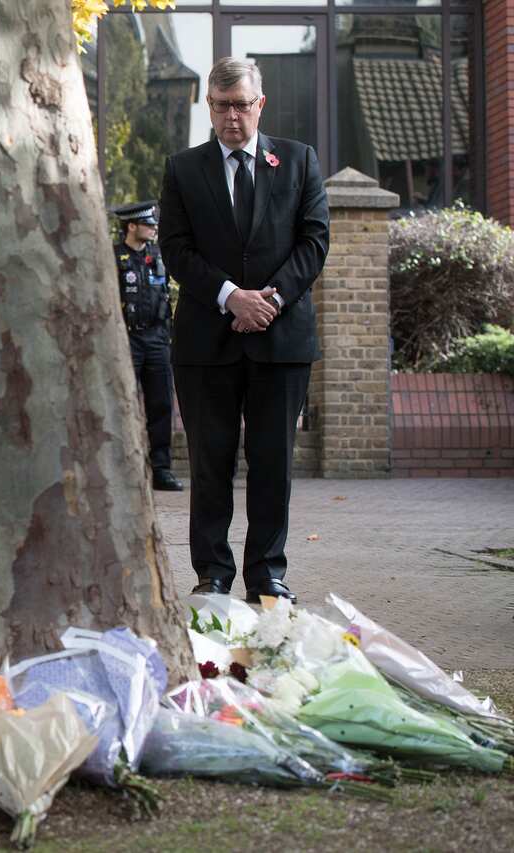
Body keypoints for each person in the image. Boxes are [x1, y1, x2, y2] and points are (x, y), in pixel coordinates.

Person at [158, 57, 330, 604]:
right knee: (210, 463)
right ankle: (212, 573)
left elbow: (314, 241)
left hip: (281, 341)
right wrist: (231, 295)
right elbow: (175, 249)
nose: (231, 116)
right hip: (207, 343)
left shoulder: (299, 160)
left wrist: (270, 299)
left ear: (261, 104)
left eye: (240, 105)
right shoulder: (183, 169)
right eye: (220, 106)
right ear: (208, 107)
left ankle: (267, 575)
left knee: (273, 463)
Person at [111, 200, 182, 493]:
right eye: (148, 224)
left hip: (156, 340)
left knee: (161, 404)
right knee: (122, 403)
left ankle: (161, 469)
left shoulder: (159, 256)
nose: (153, 229)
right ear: (131, 226)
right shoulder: (114, 257)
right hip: (127, 339)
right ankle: (121, 469)